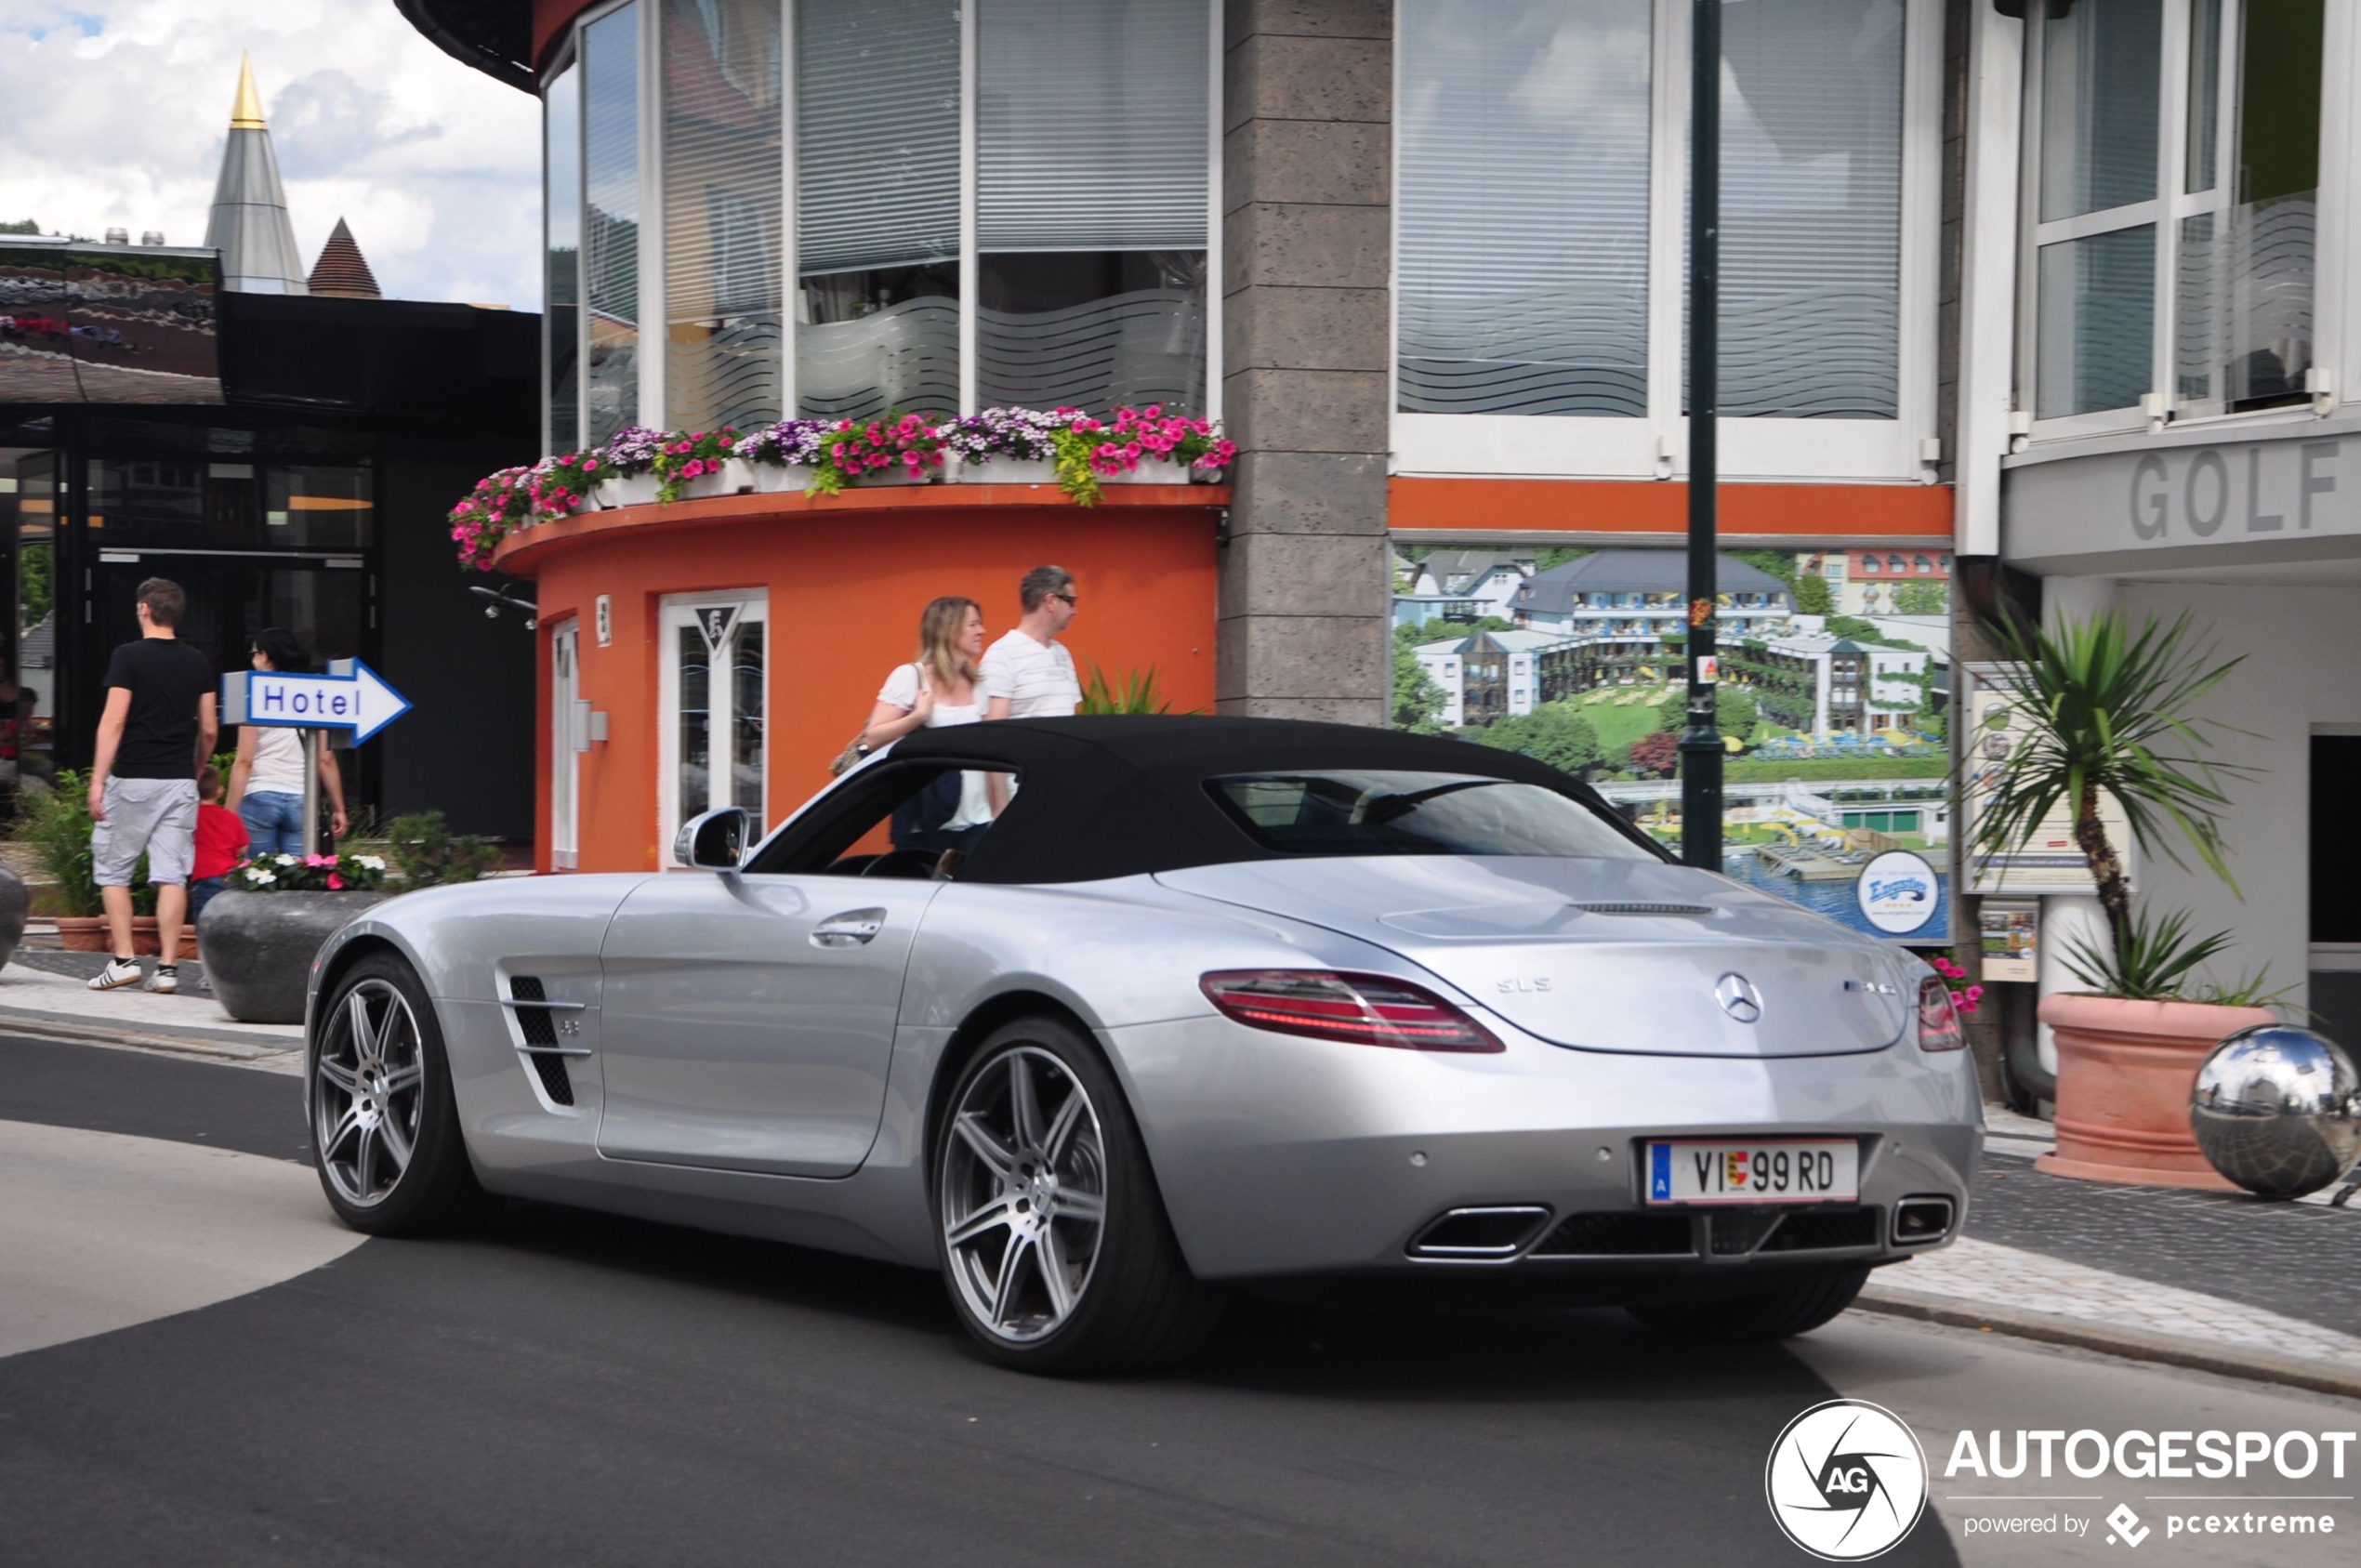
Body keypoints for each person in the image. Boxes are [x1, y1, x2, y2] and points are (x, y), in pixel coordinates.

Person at [87, 577, 218, 994]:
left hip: (132, 779)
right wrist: (196, 769)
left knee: (113, 870)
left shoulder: (127, 656)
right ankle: (166, 968)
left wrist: (96, 779)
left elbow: (114, 720)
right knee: (172, 876)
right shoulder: (199, 662)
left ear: (144, 609)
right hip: (179, 781)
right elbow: (210, 730)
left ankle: (124, 960)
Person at [863, 597, 996, 853]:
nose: (982, 631)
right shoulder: (911, 677)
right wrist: (917, 717)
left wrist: (998, 808)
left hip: (976, 821)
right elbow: (873, 738)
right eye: (973, 624)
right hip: (925, 823)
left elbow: (989, 753)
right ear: (948, 629)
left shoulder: (978, 683)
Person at [227, 627, 348, 856]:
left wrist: (229, 814)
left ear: (265, 656)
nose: (252, 659)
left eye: (254, 653)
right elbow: (326, 758)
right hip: (301, 799)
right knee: (296, 881)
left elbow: (244, 761)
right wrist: (339, 808)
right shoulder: (314, 696)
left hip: (259, 796)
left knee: (256, 879)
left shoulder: (254, 694)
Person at [982, 565, 1082, 720]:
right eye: (1071, 602)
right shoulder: (1001, 655)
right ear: (1051, 601)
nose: (1074, 611)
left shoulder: (1062, 653)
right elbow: (994, 728)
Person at [189, 764, 247, 924]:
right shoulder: (231, 817)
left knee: (205, 923)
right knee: (230, 923)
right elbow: (244, 848)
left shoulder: (190, 817)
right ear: (220, 791)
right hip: (231, 876)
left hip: (205, 878)